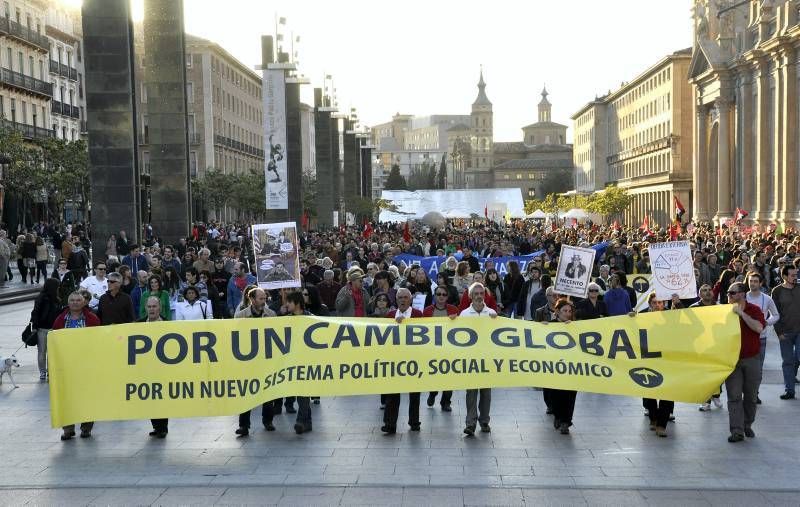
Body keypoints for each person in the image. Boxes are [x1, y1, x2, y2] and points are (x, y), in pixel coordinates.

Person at [52, 291, 101, 440]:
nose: (74, 303)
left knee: (86, 397)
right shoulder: (60, 319)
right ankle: (68, 429)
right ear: (68, 303)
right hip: (66, 366)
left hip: (86, 365)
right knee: (66, 398)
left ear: (84, 302)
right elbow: (54, 340)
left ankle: (86, 427)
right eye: (72, 300)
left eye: (78, 300)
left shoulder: (92, 319)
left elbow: (99, 340)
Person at [725, 282, 766, 443]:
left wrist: (742, 314)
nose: (729, 295)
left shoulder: (754, 310)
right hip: (732, 361)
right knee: (734, 396)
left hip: (751, 359)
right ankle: (737, 431)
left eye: (732, 293)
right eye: (728, 293)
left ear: (742, 294)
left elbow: (758, 328)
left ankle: (747, 424)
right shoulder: (724, 312)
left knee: (750, 396)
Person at [235, 288, 278, 436]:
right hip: (247, 361)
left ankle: (268, 421)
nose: (263, 301)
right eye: (260, 298)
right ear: (251, 299)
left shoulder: (271, 315)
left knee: (268, 392)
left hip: (266, 359)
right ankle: (244, 425)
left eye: (265, 298)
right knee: (246, 393)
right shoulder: (241, 316)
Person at [381, 288, 424, 434]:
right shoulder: (391, 315)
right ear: (396, 299)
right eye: (400, 297)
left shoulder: (418, 315)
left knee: (414, 394)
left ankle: (414, 422)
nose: (403, 300)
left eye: (406, 297)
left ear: (410, 299)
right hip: (395, 359)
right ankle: (390, 423)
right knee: (392, 393)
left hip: (414, 358)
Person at [459, 282, 497, 436]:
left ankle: (484, 421)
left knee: (486, 394)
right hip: (471, 359)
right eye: (476, 294)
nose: (479, 296)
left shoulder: (492, 313)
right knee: (471, 393)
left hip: (487, 359)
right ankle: (470, 423)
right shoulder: (464, 315)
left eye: (481, 293)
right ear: (471, 296)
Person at [542, 299, 579, 435]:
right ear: (557, 312)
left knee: (570, 394)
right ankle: (558, 416)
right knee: (555, 394)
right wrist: (541, 328)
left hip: (571, 367)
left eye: (570, 311)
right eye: (565, 311)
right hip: (554, 367)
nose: (568, 314)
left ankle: (566, 421)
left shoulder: (575, 326)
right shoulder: (549, 325)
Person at [638, 293, 673, 437]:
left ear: (664, 304)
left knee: (668, 392)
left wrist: (678, 303)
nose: (658, 305)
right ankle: (653, 417)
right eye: (654, 303)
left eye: (660, 303)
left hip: (668, 360)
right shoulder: (641, 317)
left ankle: (662, 425)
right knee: (649, 392)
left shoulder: (672, 318)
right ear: (650, 304)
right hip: (649, 360)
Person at [745, 271, 780, 404]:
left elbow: (776, 315)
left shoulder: (767, 299)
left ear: (760, 283)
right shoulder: (743, 297)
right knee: (745, 367)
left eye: (755, 281)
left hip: (761, 338)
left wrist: (766, 322)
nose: (752, 283)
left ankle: (755, 393)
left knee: (757, 368)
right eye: (750, 281)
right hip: (744, 338)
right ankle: (746, 393)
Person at [423, 286, 459, 412]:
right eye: (439, 294)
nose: (441, 296)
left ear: (447, 297)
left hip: (449, 349)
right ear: (434, 295)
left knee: (449, 377)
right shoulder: (427, 311)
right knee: (434, 376)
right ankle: (433, 393)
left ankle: (446, 402)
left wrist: (456, 321)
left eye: (444, 294)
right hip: (433, 349)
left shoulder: (454, 310)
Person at [138, 296, 170, 438]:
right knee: (149, 397)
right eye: (149, 307)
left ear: (160, 308)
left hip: (163, 367)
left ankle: (163, 427)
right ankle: (156, 426)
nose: (151, 309)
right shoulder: (137, 324)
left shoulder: (169, 324)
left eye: (154, 306)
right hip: (145, 367)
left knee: (161, 397)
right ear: (145, 308)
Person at [284, 290, 314, 434]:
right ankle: (307, 422)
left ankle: (301, 421)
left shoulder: (311, 318)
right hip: (293, 361)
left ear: (297, 303)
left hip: (307, 361)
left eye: (289, 302)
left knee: (303, 391)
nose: (287, 304)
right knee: (300, 391)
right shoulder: (285, 320)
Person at [691, 285, 723, 411]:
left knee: (717, 371)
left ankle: (716, 395)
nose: (708, 292)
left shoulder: (720, 308)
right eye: (704, 290)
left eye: (709, 290)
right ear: (699, 295)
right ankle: (706, 399)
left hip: (716, 345)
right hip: (701, 346)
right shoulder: (693, 308)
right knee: (704, 373)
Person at [771, 265, 800, 400]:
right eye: (793, 275)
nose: (796, 277)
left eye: (796, 274)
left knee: (798, 356)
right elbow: (775, 313)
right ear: (784, 277)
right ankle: (790, 390)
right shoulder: (777, 291)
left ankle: (792, 377)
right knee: (787, 361)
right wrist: (779, 332)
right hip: (785, 333)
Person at [29, 279, 62, 380]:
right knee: (42, 352)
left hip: (53, 329)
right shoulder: (41, 298)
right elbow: (35, 312)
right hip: (42, 328)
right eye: (57, 286)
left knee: (50, 352)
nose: (58, 288)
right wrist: (34, 327)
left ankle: (49, 371)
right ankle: (43, 371)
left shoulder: (57, 299)